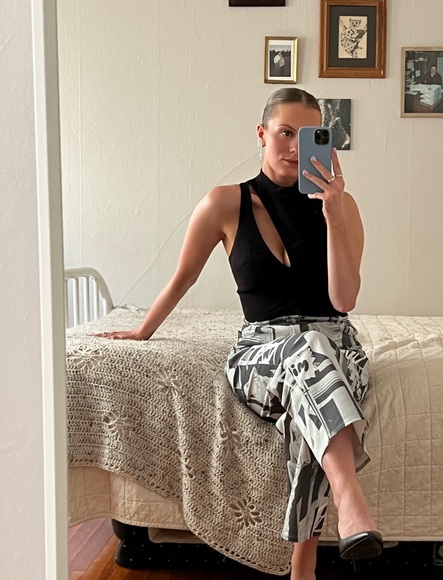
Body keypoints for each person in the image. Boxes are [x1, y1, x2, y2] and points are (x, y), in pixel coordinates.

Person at [96, 87, 382, 580]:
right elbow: (183, 277)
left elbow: (344, 301)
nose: (294, 146)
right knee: (309, 359)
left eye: (308, 136)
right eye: (285, 133)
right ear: (262, 134)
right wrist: (143, 330)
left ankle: (303, 563)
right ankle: (348, 495)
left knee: (311, 396)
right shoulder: (224, 202)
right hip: (261, 354)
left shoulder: (343, 206)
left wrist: (334, 217)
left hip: (336, 347)